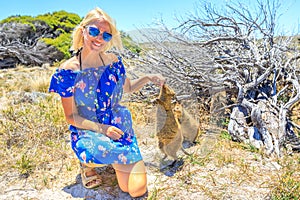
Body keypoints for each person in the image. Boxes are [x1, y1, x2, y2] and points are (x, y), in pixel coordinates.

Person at [48, 7, 165, 198]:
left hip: (117, 124)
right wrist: (103, 130)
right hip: (89, 128)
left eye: (106, 35)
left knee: (136, 190)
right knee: (97, 154)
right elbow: (71, 117)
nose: (99, 38)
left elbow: (128, 88)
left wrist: (148, 77)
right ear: (83, 30)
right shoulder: (68, 71)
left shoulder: (113, 61)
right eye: (94, 31)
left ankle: (114, 159)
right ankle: (88, 165)